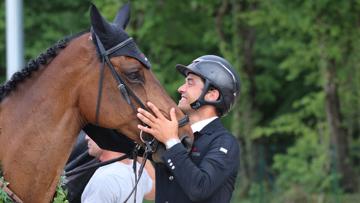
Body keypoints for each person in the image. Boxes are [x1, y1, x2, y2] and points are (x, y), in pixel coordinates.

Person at [137, 55, 241, 203]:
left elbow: (200, 188)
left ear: (212, 94)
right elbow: (121, 147)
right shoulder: (171, 131)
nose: (180, 89)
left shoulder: (225, 142)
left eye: (190, 83)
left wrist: (171, 141)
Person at [81, 135, 155, 203]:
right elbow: (154, 191)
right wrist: (140, 150)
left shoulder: (105, 178)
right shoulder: (135, 169)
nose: (86, 138)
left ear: (108, 136)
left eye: (92, 133)